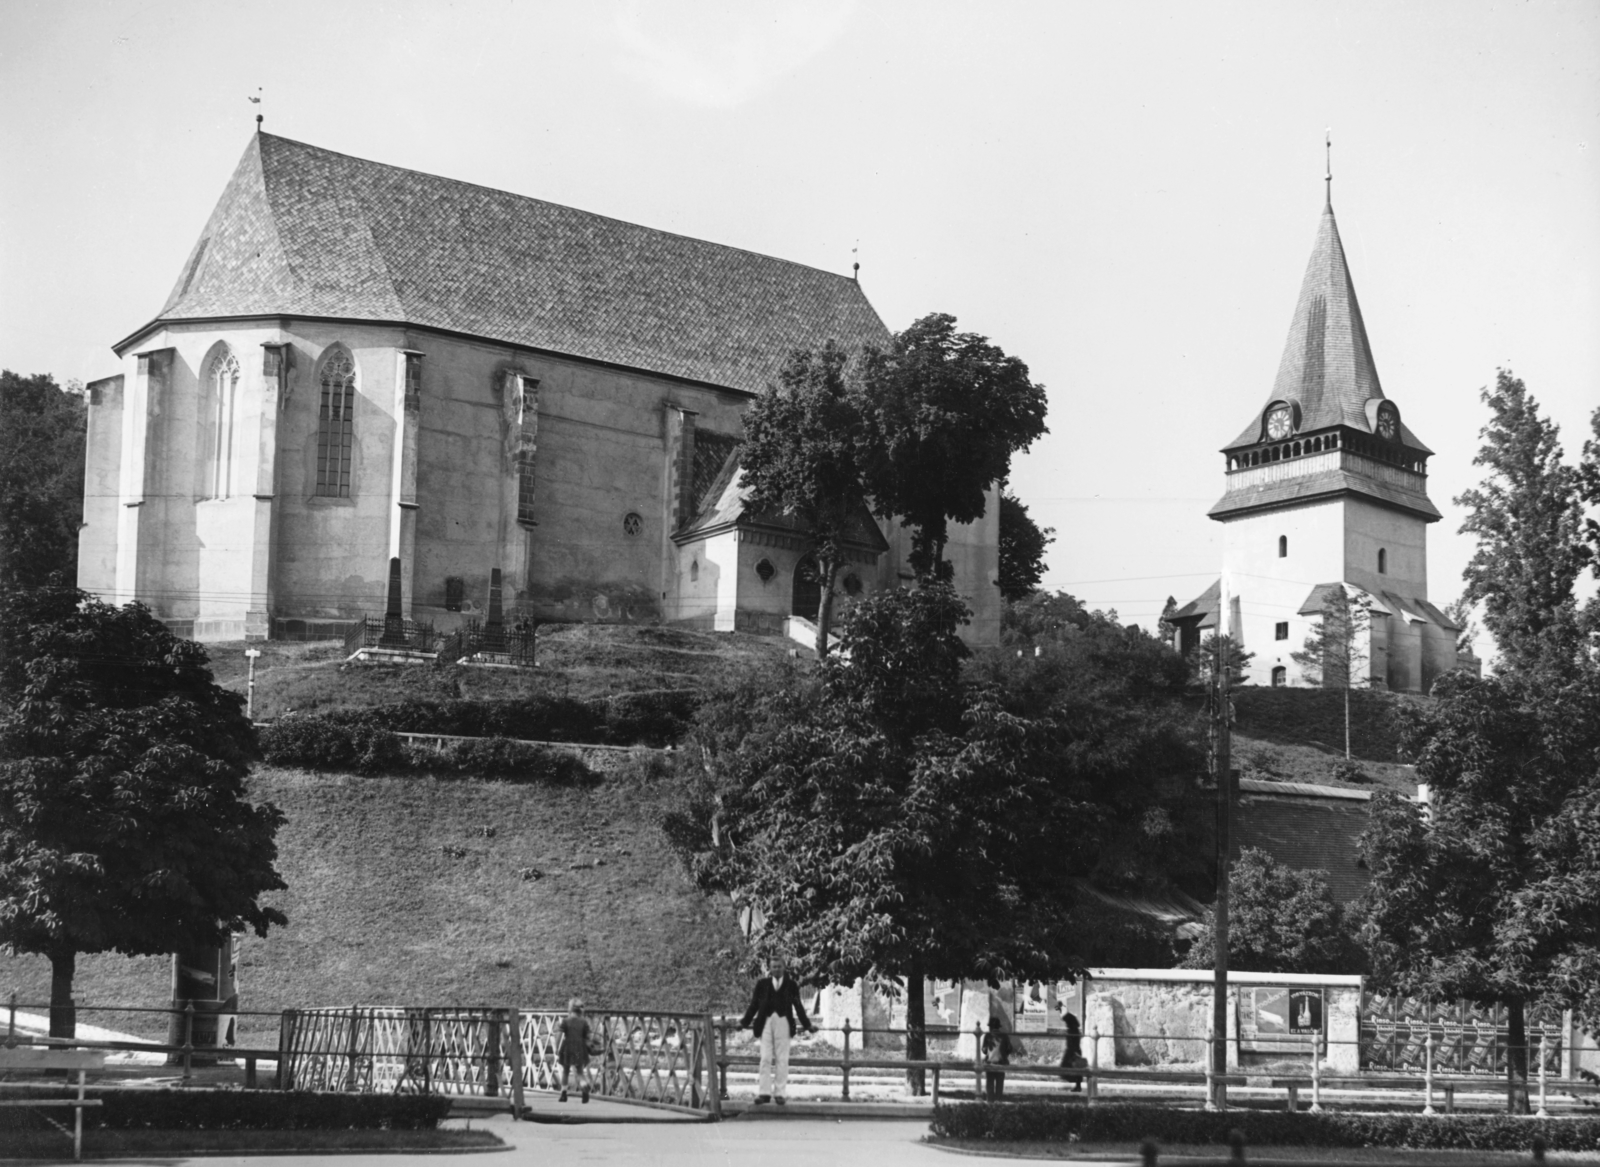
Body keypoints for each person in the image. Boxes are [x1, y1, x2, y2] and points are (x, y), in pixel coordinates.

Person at [738, 956, 814, 1105]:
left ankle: (780, 1093)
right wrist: (744, 1022)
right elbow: (754, 1005)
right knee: (765, 1058)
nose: (776, 969)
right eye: (773, 967)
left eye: (779, 966)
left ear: (784, 967)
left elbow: (798, 1007)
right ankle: (764, 1093)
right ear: (770, 969)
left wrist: (807, 1025)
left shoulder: (791, 985)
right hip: (765, 1022)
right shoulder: (762, 984)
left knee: (782, 1059)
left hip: (783, 1022)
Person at [556, 997, 593, 1103]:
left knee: (566, 1071)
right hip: (580, 1048)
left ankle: (564, 1094)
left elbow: (559, 1035)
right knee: (580, 1071)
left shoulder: (566, 1021)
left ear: (570, 1008)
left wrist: (556, 1046)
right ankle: (584, 1087)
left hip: (568, 1048)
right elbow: (588, 1036)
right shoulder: (583, 1021)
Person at [982, 1016, 1011, 1101]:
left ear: (990, 1027)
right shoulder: (1004, 1036)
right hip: (1001, 1063)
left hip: (990, 1063)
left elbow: (984, 1050)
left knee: (990, 1083)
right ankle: (998, 1101)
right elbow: (1009, 1049)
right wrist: (1003, 1054)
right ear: (999, 1026)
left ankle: (990, 1101)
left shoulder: (988, 1036)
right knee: (999, 1084)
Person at [1060, 1008, 1084, 1092]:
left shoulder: (1072, 1030)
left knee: (1074, 1069)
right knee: (1075, 1070)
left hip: (1073, 1052)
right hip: (1074, 1051)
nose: (1066, 1024)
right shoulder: (1074, 1029)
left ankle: (1077, 1086)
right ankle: (1077, 1086)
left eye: (1067, 1022)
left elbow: (1072, 1043)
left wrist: (1072, 1053)